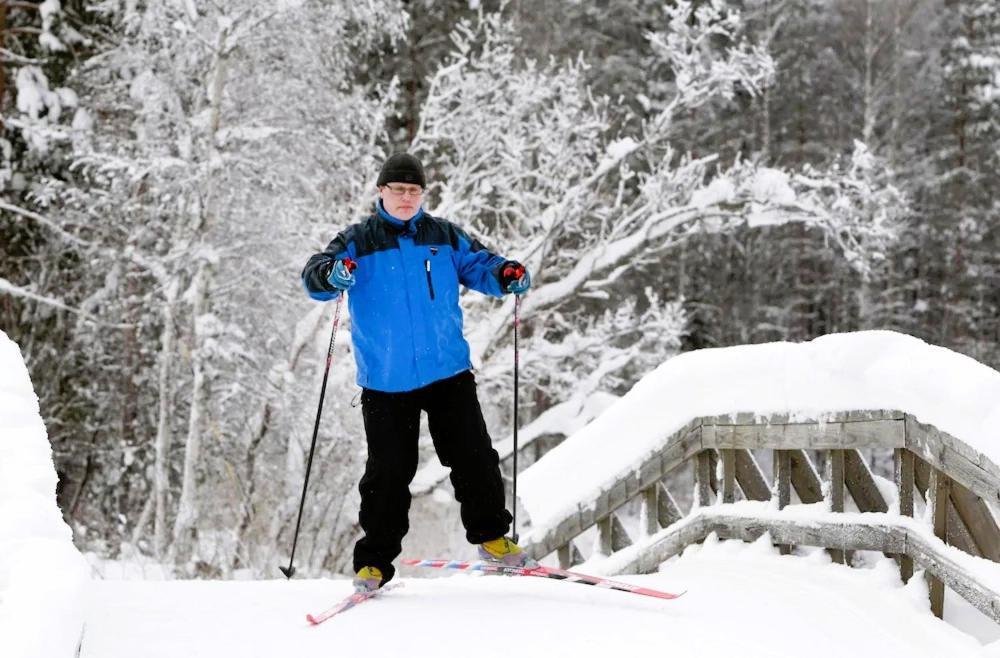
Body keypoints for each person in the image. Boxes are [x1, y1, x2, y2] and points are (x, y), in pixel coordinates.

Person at [301, 153, 532, 592]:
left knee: (474, 457)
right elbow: (314, 277)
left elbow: (482, 265)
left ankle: (492, 538)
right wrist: (333, 275)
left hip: (447, 370)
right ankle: (374, 564)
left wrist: (506, 274)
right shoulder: (357, 242)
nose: (406, 197)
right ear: (381, 192)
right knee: (388, 473)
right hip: (387, 381)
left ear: (422, 194)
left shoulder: (442, 235)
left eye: (413, 190)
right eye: (397, 189)